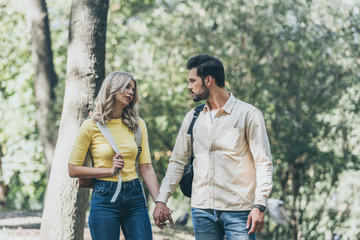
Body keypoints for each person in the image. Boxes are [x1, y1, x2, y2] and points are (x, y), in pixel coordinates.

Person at [153, 54, 273, 240]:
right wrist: (161, 200)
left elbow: (263, 163)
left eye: (192, 81)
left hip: (239, 212)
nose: (189, 86)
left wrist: (259, 205)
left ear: (208, 80)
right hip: (202, 211)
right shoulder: (192, 118)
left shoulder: (248, 114)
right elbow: (177, 162)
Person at [68, 71, 159, 240]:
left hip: (135, 196)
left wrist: (159, 203)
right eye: (126, 87)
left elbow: (146, 167)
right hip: (104, 197)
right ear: (111, 88)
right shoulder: (90, 126)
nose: (131, 92)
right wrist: (108, 171)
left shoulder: (138, 125)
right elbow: (73, 169)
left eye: (133, 88)